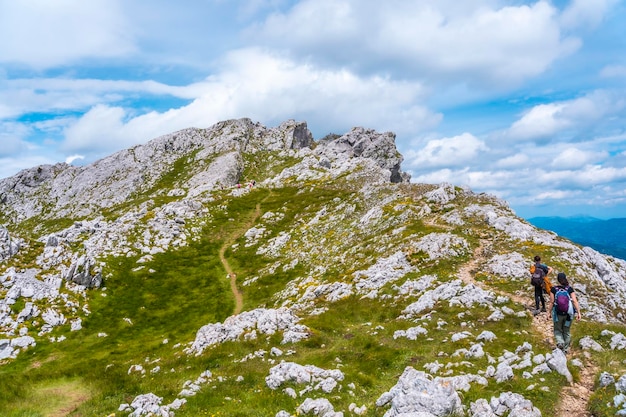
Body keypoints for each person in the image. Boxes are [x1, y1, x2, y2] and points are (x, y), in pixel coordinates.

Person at [548, 272, 581, 353]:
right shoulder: (569, 289)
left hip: (557, 314)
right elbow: (575, 301)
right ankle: (565, 350)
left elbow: (551, 302)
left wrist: (548, 312)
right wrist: (579, 313)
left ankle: (560, 342)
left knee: (557, 329)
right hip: (569, 314)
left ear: (558, 280)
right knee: (566, 331)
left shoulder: (554, 289)